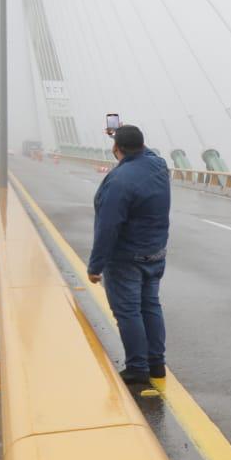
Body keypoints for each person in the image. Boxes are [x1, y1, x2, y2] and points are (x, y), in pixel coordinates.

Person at [86, 124, 171, 386]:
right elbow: (145, 152)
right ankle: (156, 363)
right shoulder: (159, 165)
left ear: (116, 148)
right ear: (142, 144)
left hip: (126, 257)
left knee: (128, 311)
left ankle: (137, 367)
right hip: (155, 253)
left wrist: (95, 266)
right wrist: (122, 132)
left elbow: (108, 227)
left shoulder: (119, 181)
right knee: (150, 305)